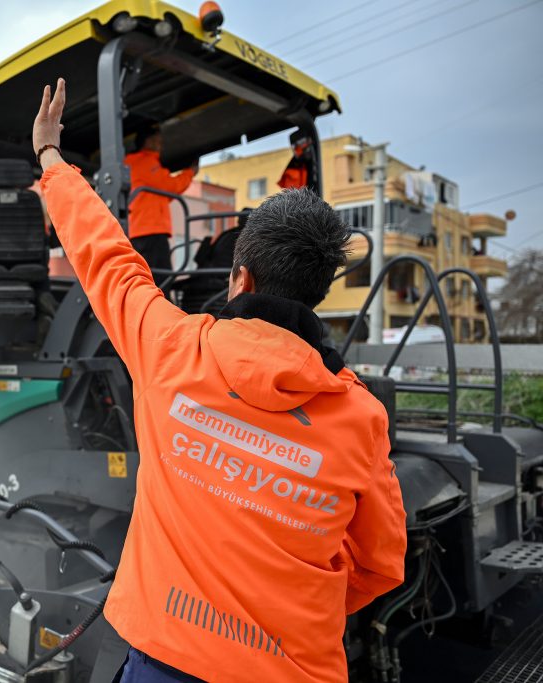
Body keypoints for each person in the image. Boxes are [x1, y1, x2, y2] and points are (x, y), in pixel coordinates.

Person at [33, 79, 406, 683]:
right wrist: (287, 605)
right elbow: (381, 564)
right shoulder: (361, 419)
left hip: (165, 660)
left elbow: (107, 258)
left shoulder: (168, 349)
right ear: (319, 290)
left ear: (239, 277)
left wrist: (52, 159)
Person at [124, 128, 199, 275]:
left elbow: (164, 194)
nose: (160, 145)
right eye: (157, 141)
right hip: (151, 229)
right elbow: (170, 187)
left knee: (149, 275)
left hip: (140, 229)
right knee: (161, 277)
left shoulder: (133, 163)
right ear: (148, 141)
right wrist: (190, 173)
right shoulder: (145, 161)